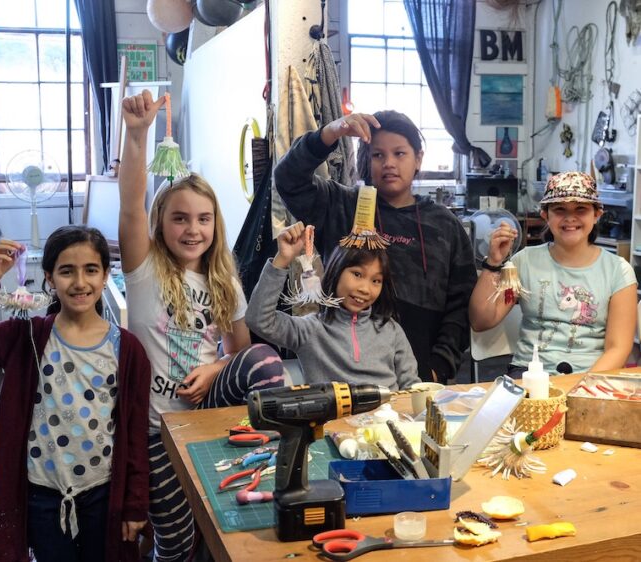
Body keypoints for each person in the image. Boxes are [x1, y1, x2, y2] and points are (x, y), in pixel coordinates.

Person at [118, 90, 287, 562]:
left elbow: (242, 353)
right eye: (179, 219)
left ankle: (276, 458)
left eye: (204, 219)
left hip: (210, 412)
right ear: (160, 224)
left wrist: (215, 371)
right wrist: (137, 135)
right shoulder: (145, 270)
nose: (193, 229)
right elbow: (130, 204)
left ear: (216, 223)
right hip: (158, 428)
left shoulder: (224, 279)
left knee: (265, 360)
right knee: (178, 542)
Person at [0, 226, 151, 562]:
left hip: (103, 494)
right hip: (43, 496)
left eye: (91, 270)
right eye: (67, 271)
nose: (80, 282)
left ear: (105, 275)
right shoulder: (25, 338)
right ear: (49, 278)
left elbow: (136, 434)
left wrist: (135, 502)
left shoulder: (128, 351)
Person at [274, 110, 477, 383]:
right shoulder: (342, 206)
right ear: (366, 161)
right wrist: (328, 134)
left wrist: (439, 367)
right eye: (378, 155)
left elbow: (461, 305)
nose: (389, 163)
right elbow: (288, 179)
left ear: (418, 159)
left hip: (417, 380)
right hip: (343, 377)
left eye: (400, 153)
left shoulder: (445, 225)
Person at [469, 171, 637, 374]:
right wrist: (494, 262)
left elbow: (618, 348)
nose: (570, 218)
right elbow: (481, 321)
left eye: (581, 209)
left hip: (591, 376)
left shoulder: (618, 271)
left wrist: (579, 387)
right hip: (530, 373)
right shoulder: (524, 262)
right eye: (559, 209)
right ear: (545, 215)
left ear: (596, 215)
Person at [246, 221, 420, 389]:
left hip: (388, 416)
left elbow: (411, 385)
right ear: (336, 271)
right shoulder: (309, 330)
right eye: (357, 274)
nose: (365, 289)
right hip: (333, 418)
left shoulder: (391, 330)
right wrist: (282, 259)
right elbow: (258, 320)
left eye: (376, 280)